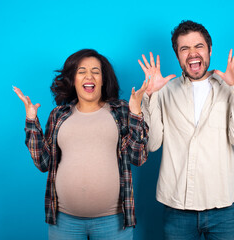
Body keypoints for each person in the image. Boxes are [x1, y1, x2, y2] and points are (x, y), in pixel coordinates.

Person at [138, 20, 234, 239]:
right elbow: (151, 144)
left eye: (198, 46)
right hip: (177, 209)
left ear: (209, 50)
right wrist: (150, 96)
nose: (192, 53)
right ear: (178, 56)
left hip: (225, 207)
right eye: (185, 48)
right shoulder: (165, 91)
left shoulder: (229, 88)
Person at [14, 49, 149, 240]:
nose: (89, 76)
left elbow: (139, 158)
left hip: (114, 221)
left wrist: (135, 113)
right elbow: (43, 163)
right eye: (81, 71)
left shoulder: (121, 112)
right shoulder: (58, 115)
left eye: (96, 71)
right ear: (73, 79)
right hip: (65, 222)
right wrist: (31, 121)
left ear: (103, 79)